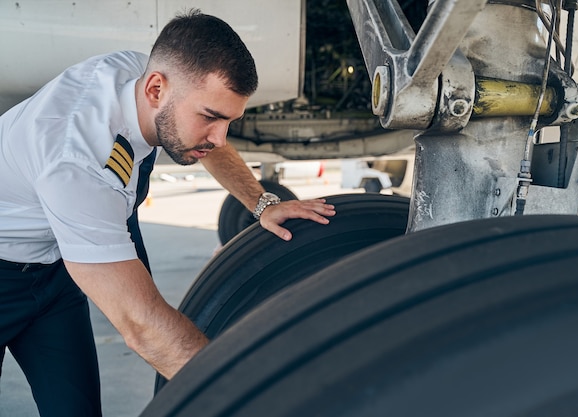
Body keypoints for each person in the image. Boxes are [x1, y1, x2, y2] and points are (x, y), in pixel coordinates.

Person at [0, 10, 335, 417]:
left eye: (228, 120)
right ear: (156, 89)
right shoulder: (74, 159)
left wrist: (261, 202)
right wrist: (252, 394)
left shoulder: (140, 76)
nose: (220, 137)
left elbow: (208, 139)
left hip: (53, 274)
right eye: (211, 117)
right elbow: (141, 326)